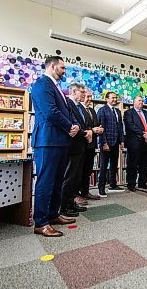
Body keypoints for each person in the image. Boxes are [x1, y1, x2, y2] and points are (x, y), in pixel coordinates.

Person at [31, 56, 79, 237]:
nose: (64, 71)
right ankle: (41, 222)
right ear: (52, 66)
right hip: (47, 141)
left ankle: (52, 214)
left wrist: (74, 126)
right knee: (46, 181)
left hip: (60, 141)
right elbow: (51, 112)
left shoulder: (59, 89)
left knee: (58, 181)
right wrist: (69, 127)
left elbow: (67, 111)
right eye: (62, 67)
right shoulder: (42, 84)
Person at [59, 83, 93, 217]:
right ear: (74, 91)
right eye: (82, 91)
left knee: (76, 177)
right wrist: (85, 133)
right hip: (73, 145)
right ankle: (64, 207)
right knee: (69, 177)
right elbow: (72, 125)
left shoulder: (79, 106)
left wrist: (85, 131)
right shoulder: (68, 103)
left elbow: (80, 124)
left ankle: (71, 203)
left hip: (81, 146)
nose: (84, 94)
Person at [123, 95, 147, 191]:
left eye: (142, 101)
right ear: (134, 102)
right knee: (132, 164)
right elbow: (130, 126)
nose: (141, 102)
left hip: (146, 142)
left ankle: (142, 183)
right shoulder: (128, 113)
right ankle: (131, 184)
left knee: (144, 164)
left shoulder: (146, 113)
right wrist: (142, 133)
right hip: (134, 143)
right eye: (139, 101)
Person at [97, 91, 124, 197]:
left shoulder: (118, 111)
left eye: (115, 98)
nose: (114, 99)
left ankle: (113, 185)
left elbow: (120, 127)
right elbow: (101, 128)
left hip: (116, 142)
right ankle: (101, 188)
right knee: (103, 166)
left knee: (114, 165)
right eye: (112, 98)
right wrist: (104, 143)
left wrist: (121, 140)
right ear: (107, 99)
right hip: (106, 143)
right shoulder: (102, 110)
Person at [78, 89, 103, 201]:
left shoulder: (92, 111)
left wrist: (99, 129)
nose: (89, 99)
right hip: (81, 145)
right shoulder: (78, 110)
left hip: (91, 145)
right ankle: (76, 194)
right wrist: (92, 130)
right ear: (82, 96)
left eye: (90, 96)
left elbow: (96, 124)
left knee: (88, 170)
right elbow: (79, 127)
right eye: (87, 96)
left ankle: (85, 191)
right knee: (79, 170)